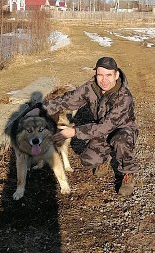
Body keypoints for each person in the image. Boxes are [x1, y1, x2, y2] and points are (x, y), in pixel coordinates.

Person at [43, 57, 139, 196]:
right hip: (101, 129)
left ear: (116, 75)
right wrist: (41, 109)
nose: (104, 80)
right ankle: (104, 160)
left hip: (123, 129)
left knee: (121, 141)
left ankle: (128, 173)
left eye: (108, 75)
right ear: (96, 74)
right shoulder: (90, 88)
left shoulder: (124, 97)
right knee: (88, 160)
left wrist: (74, 131)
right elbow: (68, 100)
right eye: (100, 75)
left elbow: (106, 126)